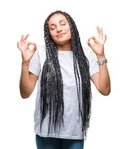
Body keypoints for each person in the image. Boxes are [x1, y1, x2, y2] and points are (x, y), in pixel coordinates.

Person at [17, 10, 111, 149]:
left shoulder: (86, 54)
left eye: (63, 24)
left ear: (71, 26)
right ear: (49, 33)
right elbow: (25, 93)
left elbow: (104, 89)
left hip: (74, 131)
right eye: (52, 28)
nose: (58, 29)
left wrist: (101, 55)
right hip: (46, 132)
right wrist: (25, 63)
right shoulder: (41, 53)